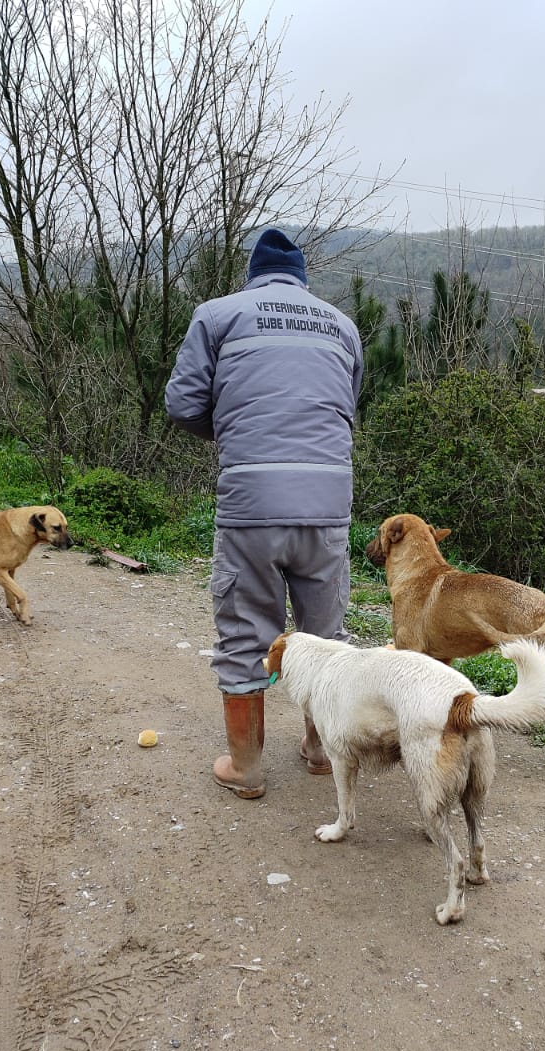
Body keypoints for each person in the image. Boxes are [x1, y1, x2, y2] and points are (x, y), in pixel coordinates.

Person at [164, 228, 365, 798]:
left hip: (251, 506)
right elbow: (343, 409)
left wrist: (229, 433)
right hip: (327, 508)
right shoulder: (341, 325)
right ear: (302, 278)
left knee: (245, 631)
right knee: (326, 634)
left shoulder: (217, 315)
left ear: (253, 275)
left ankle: (246, 769)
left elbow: (182, 404)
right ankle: (323, 750)